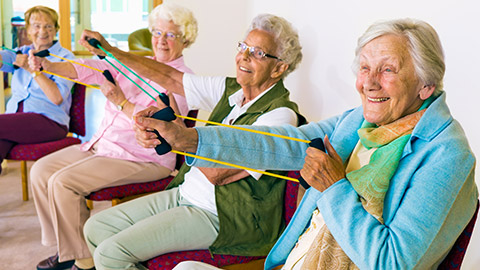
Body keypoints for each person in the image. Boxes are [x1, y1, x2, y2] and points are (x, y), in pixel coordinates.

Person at [134, 18, 479, 270]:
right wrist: (190, 139)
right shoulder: (357, 121)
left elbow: (391, 262)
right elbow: (276, 144)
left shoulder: (447, 154)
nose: (369, 84)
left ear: (426, 85)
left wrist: (334, 188)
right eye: (364, 67)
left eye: (387, 69)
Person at [80, 13, 306, 270]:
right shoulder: (232, 90)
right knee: (96, 228)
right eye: (243, 47)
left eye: (258, 53)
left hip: (222, 214)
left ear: (279, 68)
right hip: (185, 193)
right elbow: (171, 78)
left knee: (111, 254)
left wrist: (179, 138)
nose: (244, 56)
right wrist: (110, 51)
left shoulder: (280, 116)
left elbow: (218, 174)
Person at [27, 3, 198, 270]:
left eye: (170, 35)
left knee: (62, 182)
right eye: (156, 32)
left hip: (141, 158)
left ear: (185, 39)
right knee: (40, 171)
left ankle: (83, 262)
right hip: (103, 145)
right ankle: (66, 251)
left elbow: (158, 125)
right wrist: (47, 65)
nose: (161, 41)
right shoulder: (139, 63)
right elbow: (87, 69)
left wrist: (120, 102)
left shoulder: (184, 80)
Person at [0, 6, 74, 174]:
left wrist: (33, 70)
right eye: (36, 25)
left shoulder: (66, 58)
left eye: (48, 26)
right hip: (16, 121)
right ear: (28, 29)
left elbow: (57, 98)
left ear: (56, 29)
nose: (42, 31)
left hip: (50, 122)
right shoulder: (20, 52)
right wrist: (17, 59)